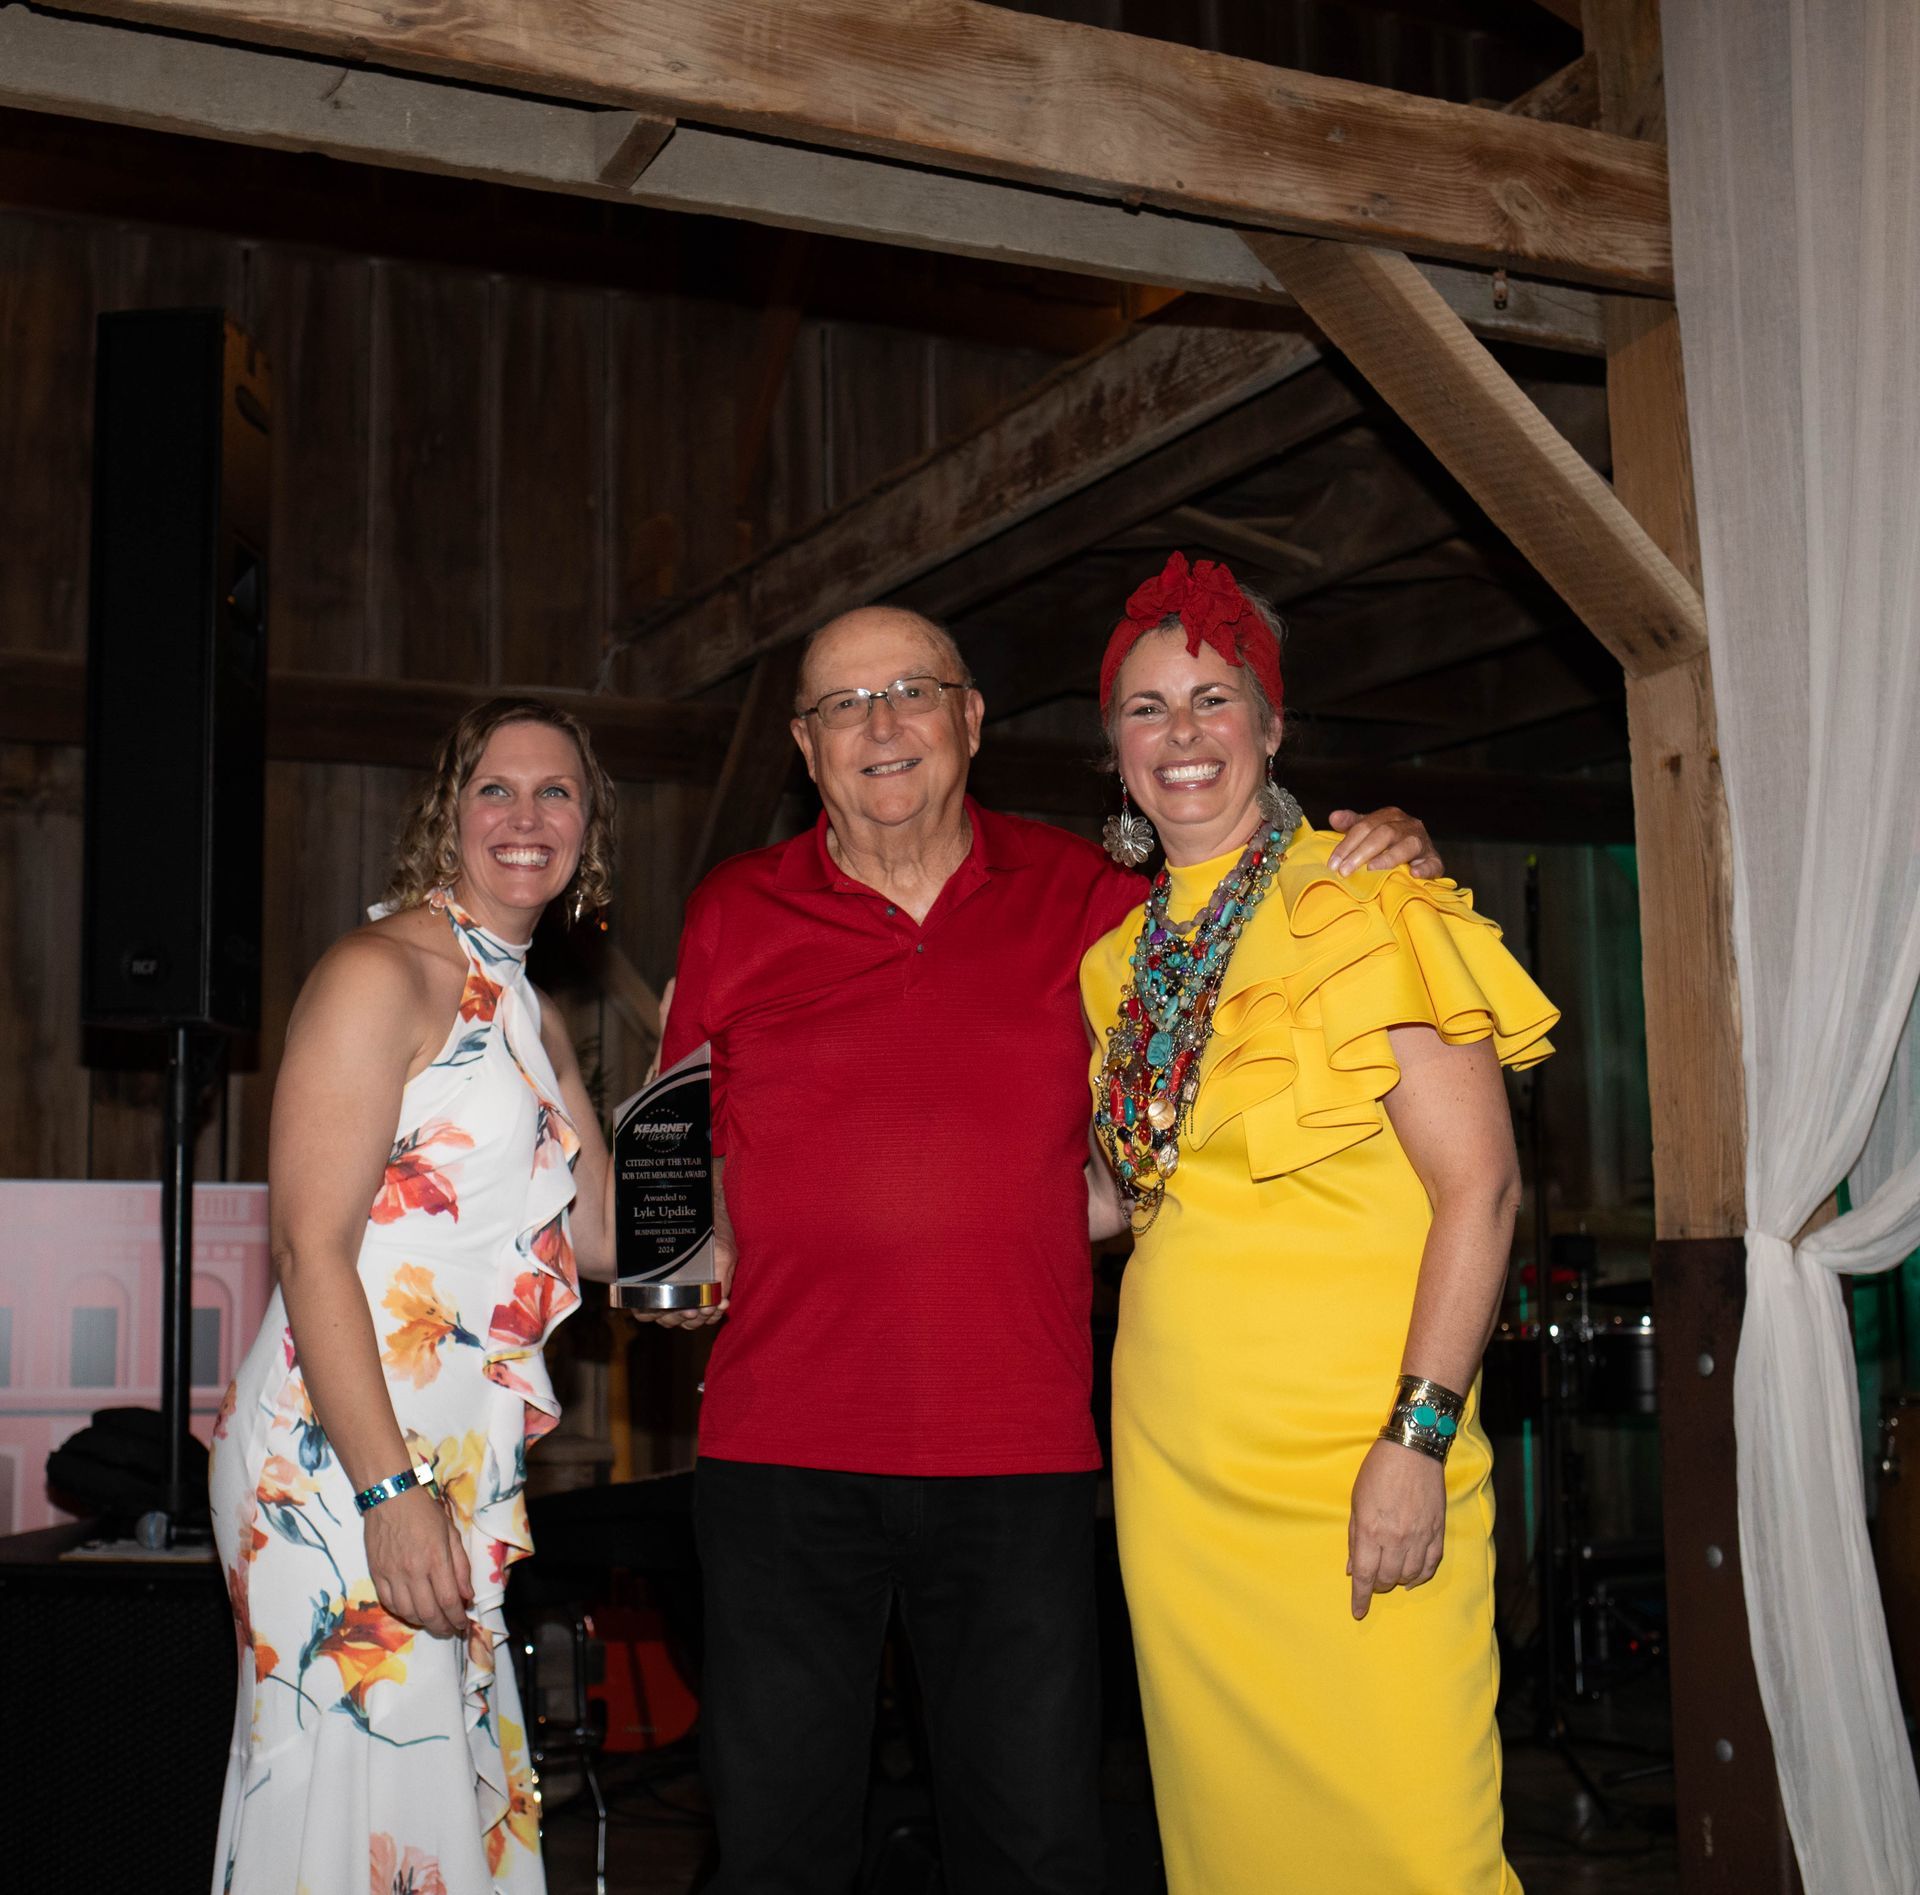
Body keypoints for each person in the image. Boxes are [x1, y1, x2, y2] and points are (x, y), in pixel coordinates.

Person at [648, 601, 1443, 1894]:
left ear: (971, 719)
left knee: (1035, 1843)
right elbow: (684, 1140)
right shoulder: (735, 908)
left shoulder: (1093, 899)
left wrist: (1385, 841)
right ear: (804, 744)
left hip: (1016, 1449)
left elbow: (1242, 934)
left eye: (912, 690)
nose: (881, 723)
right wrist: (679, 1251)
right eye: (844, 703)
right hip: (781, 1446)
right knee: (776, 1846)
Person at [1078, 553, 1559, 1892]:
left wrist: (1416, 1433)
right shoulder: (1115, 963)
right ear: (1113, 747)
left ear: (1273, 726)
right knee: (1234, 1849)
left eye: (1213, 700)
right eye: (1147, 708)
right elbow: (1127, 1193)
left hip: (1360, 1446)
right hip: (1180, 1468)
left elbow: (1485, 1185)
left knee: (1418, 1846)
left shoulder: (1362, 895)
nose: (1183, 737)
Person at [209, 698, 623, 1895]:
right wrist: (388, 1489)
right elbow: (309, 1245)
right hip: (340, 1453)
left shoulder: (532, 1008)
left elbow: (597, 1231)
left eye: (558, 792)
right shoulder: (377, 970)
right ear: (449, 811)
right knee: (350, 1800)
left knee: (432, 1797)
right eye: (497, 787)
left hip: (455, 1460)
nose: (528, 816)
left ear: (588, 829)